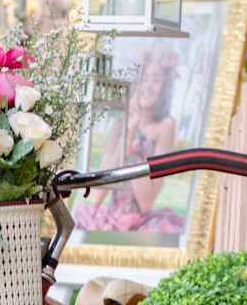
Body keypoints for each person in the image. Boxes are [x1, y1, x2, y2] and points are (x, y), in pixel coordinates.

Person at [73, 48, 182, 235]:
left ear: (164, 88)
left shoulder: (164, 126)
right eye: (144, 79)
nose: (148, 86)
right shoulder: (119, 126)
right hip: (109, 218)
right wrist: (129, 132)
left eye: (156, 80)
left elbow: (146, 202)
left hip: (141, 222)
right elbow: (97, 196)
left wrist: (133, 150)